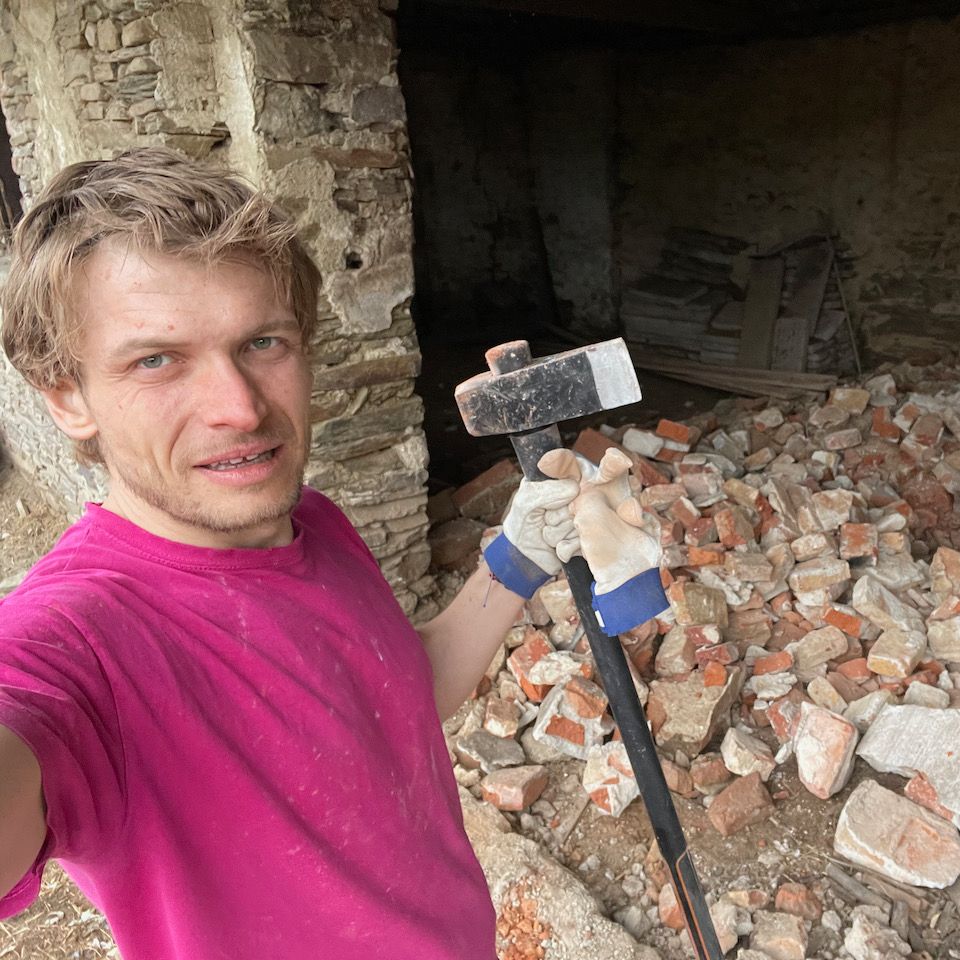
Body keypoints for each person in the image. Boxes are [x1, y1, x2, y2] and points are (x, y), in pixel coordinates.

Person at [0, 147, 668, 958]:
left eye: (263, 342)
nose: (240, 408)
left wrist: (519, 553)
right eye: (156, 360)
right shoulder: (77, 643)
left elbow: (403, 693)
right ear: (66, 397)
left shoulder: (312, 522)